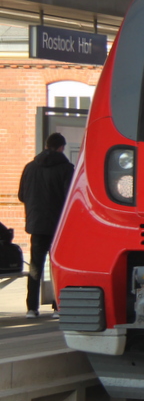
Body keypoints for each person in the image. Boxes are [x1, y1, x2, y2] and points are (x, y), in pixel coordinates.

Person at [18, 132, 74, 319]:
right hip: (58, 226)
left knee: (35, 267)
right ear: (61, 147)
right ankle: (58, 306)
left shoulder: (29, 167)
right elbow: (70, 198)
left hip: (36, 225)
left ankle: (31, 308)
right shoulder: (66, 169)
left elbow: (21, 195)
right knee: (58, 265)